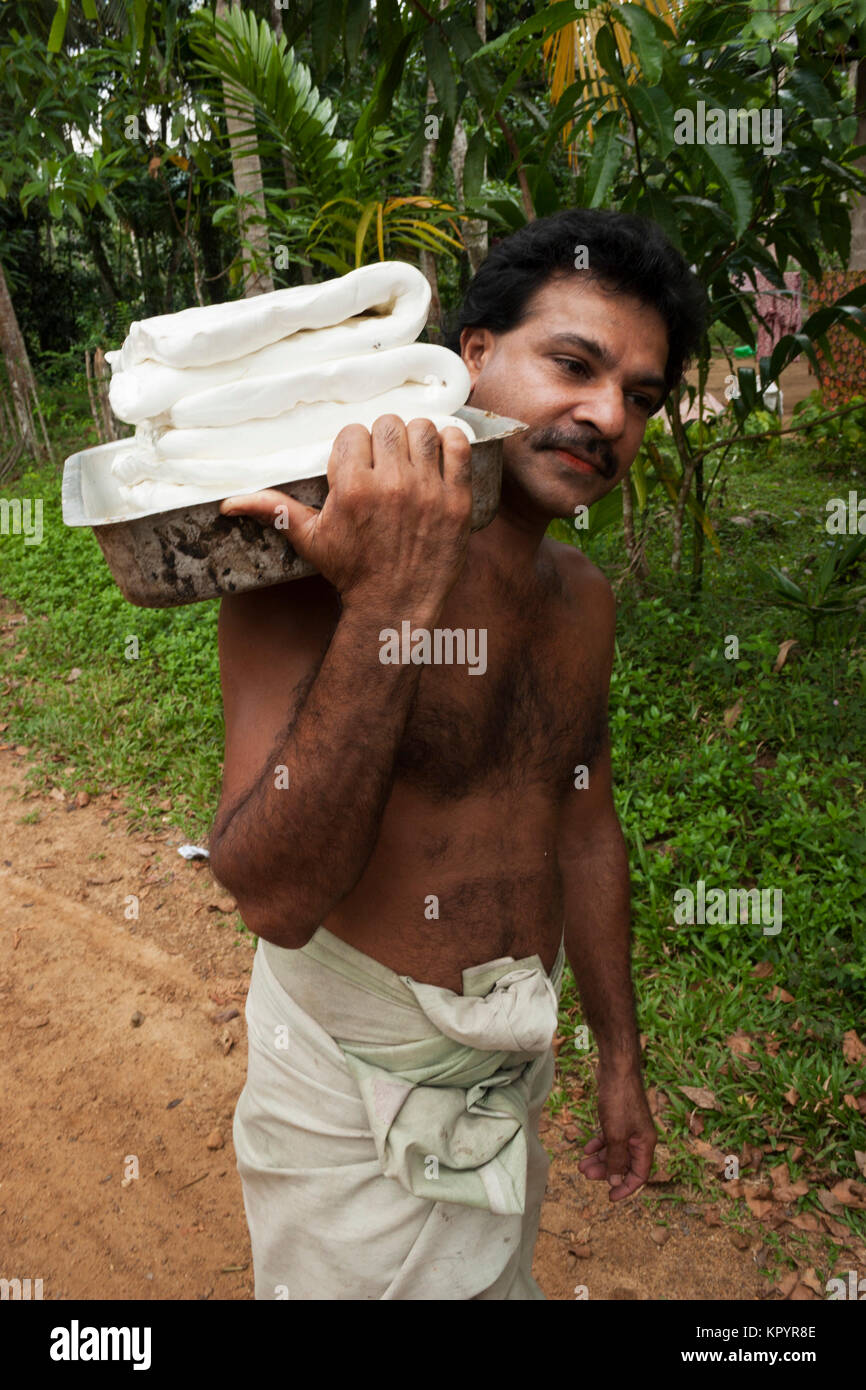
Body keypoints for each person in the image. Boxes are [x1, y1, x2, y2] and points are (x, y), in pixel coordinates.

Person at [209, 207, 706, 1300]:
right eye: (570, 363)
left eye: (640, 396)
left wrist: (617, 1059)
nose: (604, 415)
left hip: (506, 1065)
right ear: (468, 358)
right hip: (348, 1092)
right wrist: (387, 600)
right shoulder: (308, 572)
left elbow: (582, 821)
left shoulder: (582, 603)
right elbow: (275, 897)